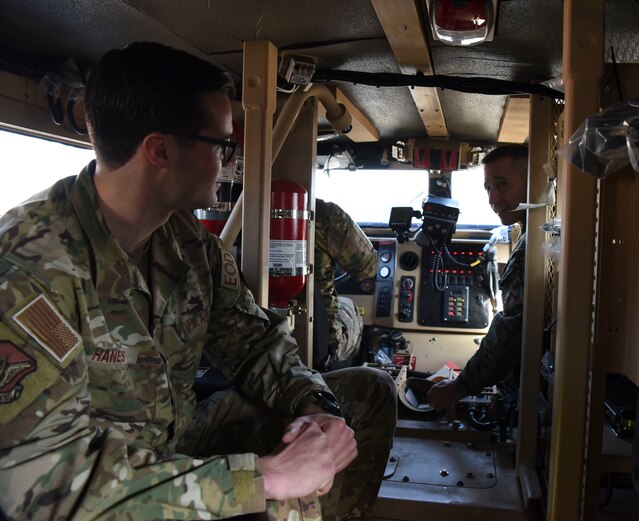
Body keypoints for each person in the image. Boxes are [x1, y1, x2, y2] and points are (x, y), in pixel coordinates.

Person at [0, 41, 396, 521]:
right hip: (99, 489)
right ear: (160, 150)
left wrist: (314, 409)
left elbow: (252, 341)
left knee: (367, 395)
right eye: (222, 145)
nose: (230, 162)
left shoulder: (185, 240)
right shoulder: (29, 269)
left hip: (180, 443)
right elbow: (44, 489)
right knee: (287, 497)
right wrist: (265, 478)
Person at [426, 144, 528, 410]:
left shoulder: (531, 245)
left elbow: (509, 332)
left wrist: (460, 387)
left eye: (502, 184)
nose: (493, 199)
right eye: (488, 188)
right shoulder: (529, 234)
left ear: (533, 182)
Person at [313, 198, 378, 368]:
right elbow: (368, 268)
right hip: (319, 340)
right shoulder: (321, 213)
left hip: (256, 335)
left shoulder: (242, 208)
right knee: (350, 305)